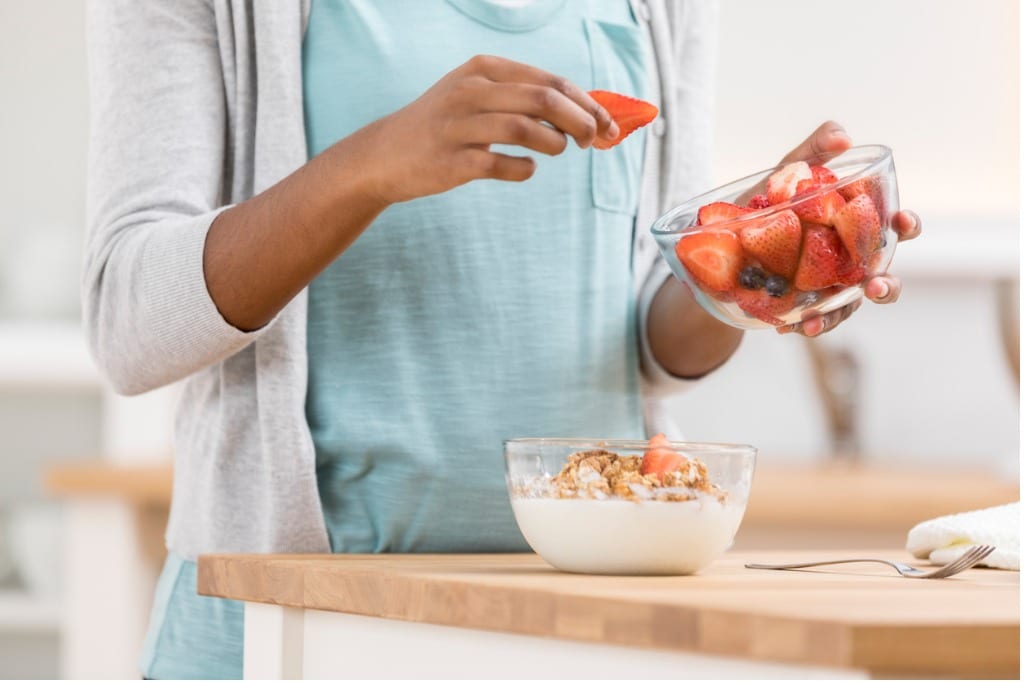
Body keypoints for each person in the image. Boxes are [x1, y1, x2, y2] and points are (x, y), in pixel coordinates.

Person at [83, 0, 921, 678]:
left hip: (574, 630)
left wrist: (752, 262)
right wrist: (367, 166)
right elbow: (129, 325)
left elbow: (651, 345)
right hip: (281, 626)